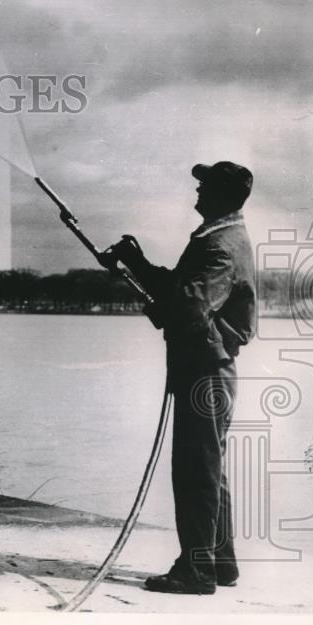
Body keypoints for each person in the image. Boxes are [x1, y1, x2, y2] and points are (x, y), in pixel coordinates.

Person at [107, 161, 257, 595]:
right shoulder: (221, 238)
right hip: (210, 370)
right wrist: (136, 264)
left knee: (196, 471)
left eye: (204, 185)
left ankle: (196, 571)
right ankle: (219, 562)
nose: (197, 189)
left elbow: (189, 309)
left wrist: (146, 290)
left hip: (204, 374)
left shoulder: (220, 246)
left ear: (221, 195)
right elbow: (183, 291)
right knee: (208, 469)